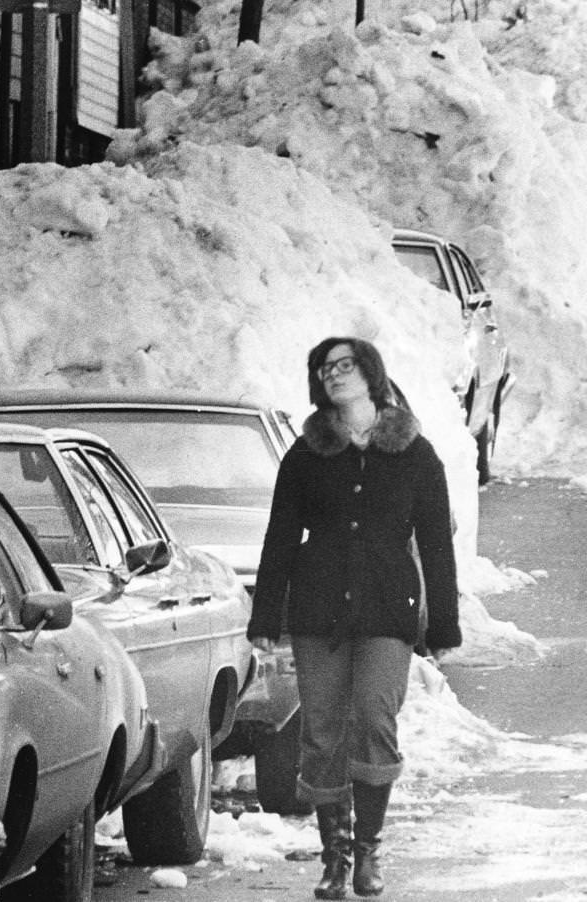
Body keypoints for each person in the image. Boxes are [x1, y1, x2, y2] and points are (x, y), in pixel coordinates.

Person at [248, 336, 461, 899]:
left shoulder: (415, 452)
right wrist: (266, 615)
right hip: (318, 610)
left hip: (390, 608)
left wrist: (445, 625)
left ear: (371, 373)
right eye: (324, 368)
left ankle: (368, 851)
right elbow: (279, 537)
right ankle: (335, 860)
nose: (333, 375)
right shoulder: (306, 454)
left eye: (344, 366)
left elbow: (437, 542)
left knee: (373, 718)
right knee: (321, 732)